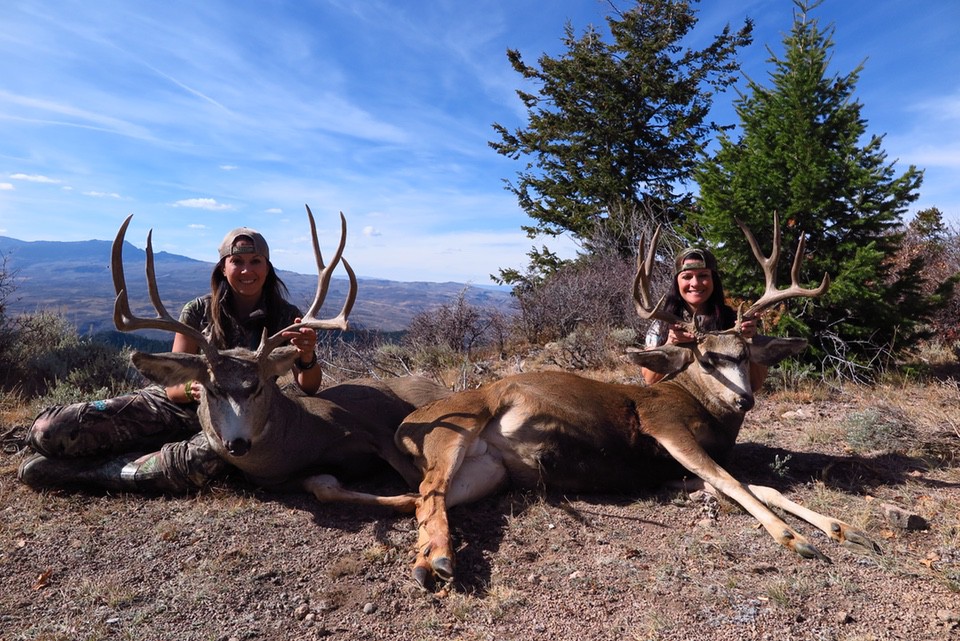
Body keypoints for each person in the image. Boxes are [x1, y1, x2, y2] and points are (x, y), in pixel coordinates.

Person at [18, 226, 322, 493]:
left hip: (240, 423)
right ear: (222, 268)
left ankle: (79, 473)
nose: (247, 270)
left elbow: (308, 388)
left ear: (267, 267)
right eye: (237, 261)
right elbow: (172, 386)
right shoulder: (197, 312)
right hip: (177, 406)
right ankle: (71, 448)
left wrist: (306, 356)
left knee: (194, 465)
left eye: (256, 261)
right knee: (49, 429)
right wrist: (194, 389)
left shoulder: (285, 317)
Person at [641, 246, 767, 389]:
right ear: (677, 282)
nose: (695, 283)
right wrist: (669, 344)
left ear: (713, 280)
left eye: (703, 275)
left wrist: (750, 340)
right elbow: (650, 379)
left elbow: (756, 384)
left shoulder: (733, 322)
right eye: (687, 277)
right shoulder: (662, 325)